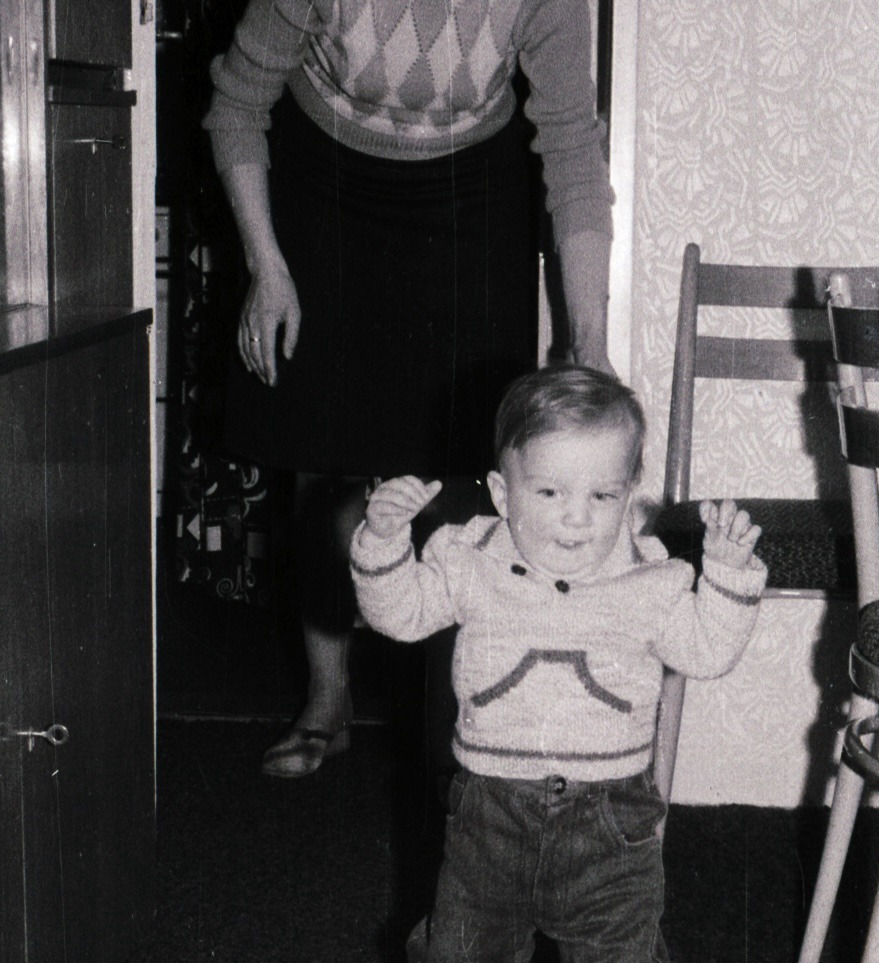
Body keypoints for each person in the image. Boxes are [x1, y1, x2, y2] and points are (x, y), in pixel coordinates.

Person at [350, 366, 767, 963]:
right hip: (490, 809)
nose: (576, 519)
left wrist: (729, 576)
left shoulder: (651, 578)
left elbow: (707, 651)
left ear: (630, 495)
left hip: (610, 818)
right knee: (464, 944)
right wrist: (382, 543)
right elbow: (399, 615)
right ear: (503, 495)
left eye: (602, 497)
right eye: (548, 494)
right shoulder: (468, 560)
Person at [204, 0, 614, 777]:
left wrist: (586, 339)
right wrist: (267, 267)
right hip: (323, 170)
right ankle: (328, 699)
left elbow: (571, 149)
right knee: (318, 454)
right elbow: (238, 99)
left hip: (472, 179)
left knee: (465, 469)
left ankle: (458, 715)